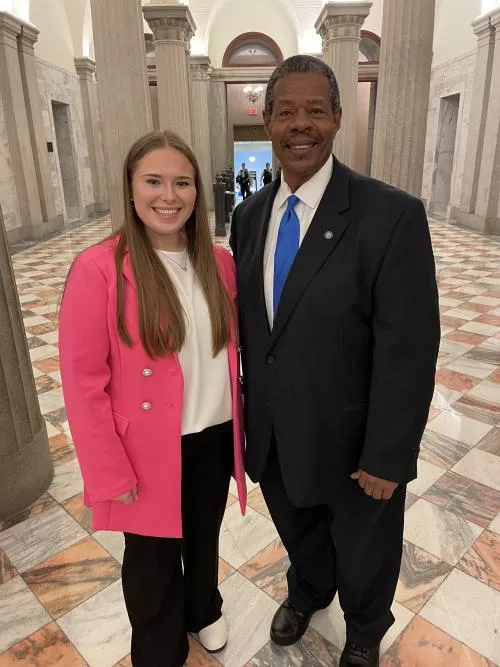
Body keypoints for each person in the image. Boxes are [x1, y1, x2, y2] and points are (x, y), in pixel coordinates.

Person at [230, 55, 440, 667]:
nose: (302, 125)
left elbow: (409, 347)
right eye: (287, 111)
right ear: (266, 119)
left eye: (316, 111)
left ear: (338, 118)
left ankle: (366, 628)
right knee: (299, 530)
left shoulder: (390, 215)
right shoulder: (247, 217)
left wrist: (388, 454)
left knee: (366, 547)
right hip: (274, 429)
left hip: (355, 440)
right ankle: (309, 590)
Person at [59, 130, 247, 667]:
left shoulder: (217, 263)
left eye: (182, 182)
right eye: (154, 181)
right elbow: (81, 380)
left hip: (211, 435)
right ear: (131, 189)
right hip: (145, 445)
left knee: (203, 534)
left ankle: (203, 609)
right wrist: (107, 470)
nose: (170, 195)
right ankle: (160, 646)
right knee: (151, 555)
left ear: (197, 192)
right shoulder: (99, 269)